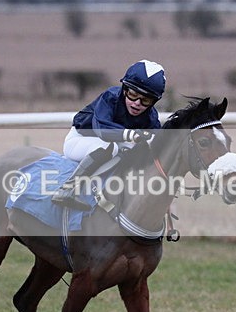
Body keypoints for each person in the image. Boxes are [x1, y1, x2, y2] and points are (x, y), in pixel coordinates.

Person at [52, 59, 166, 210]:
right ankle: (66, 190)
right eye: (133, 94)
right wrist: (131, 135)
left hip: (113, 145)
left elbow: (157, 147)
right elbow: (101, 129)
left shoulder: (151, 117)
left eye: (146, 100)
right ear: (124, 89)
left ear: (153, 102)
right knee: (110, 147)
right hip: (81, 139)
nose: (137, 103)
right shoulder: (110, 97)